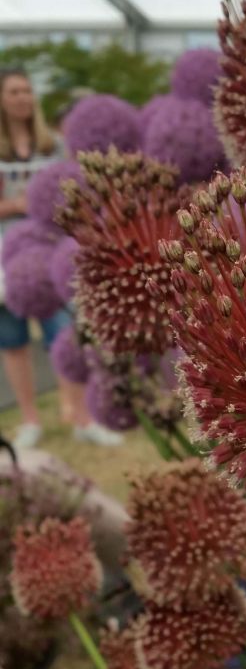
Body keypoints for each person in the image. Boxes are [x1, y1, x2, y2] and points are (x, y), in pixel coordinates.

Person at [0, 68, 121, 448]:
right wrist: (19, 204)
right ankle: (30, 421)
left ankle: (80, 417)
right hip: (4, 254)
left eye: (26, 90)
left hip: (47, 250)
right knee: (13, 340)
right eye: (14, 91)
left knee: (63, 334)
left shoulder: (52, 144)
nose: (22, 97)